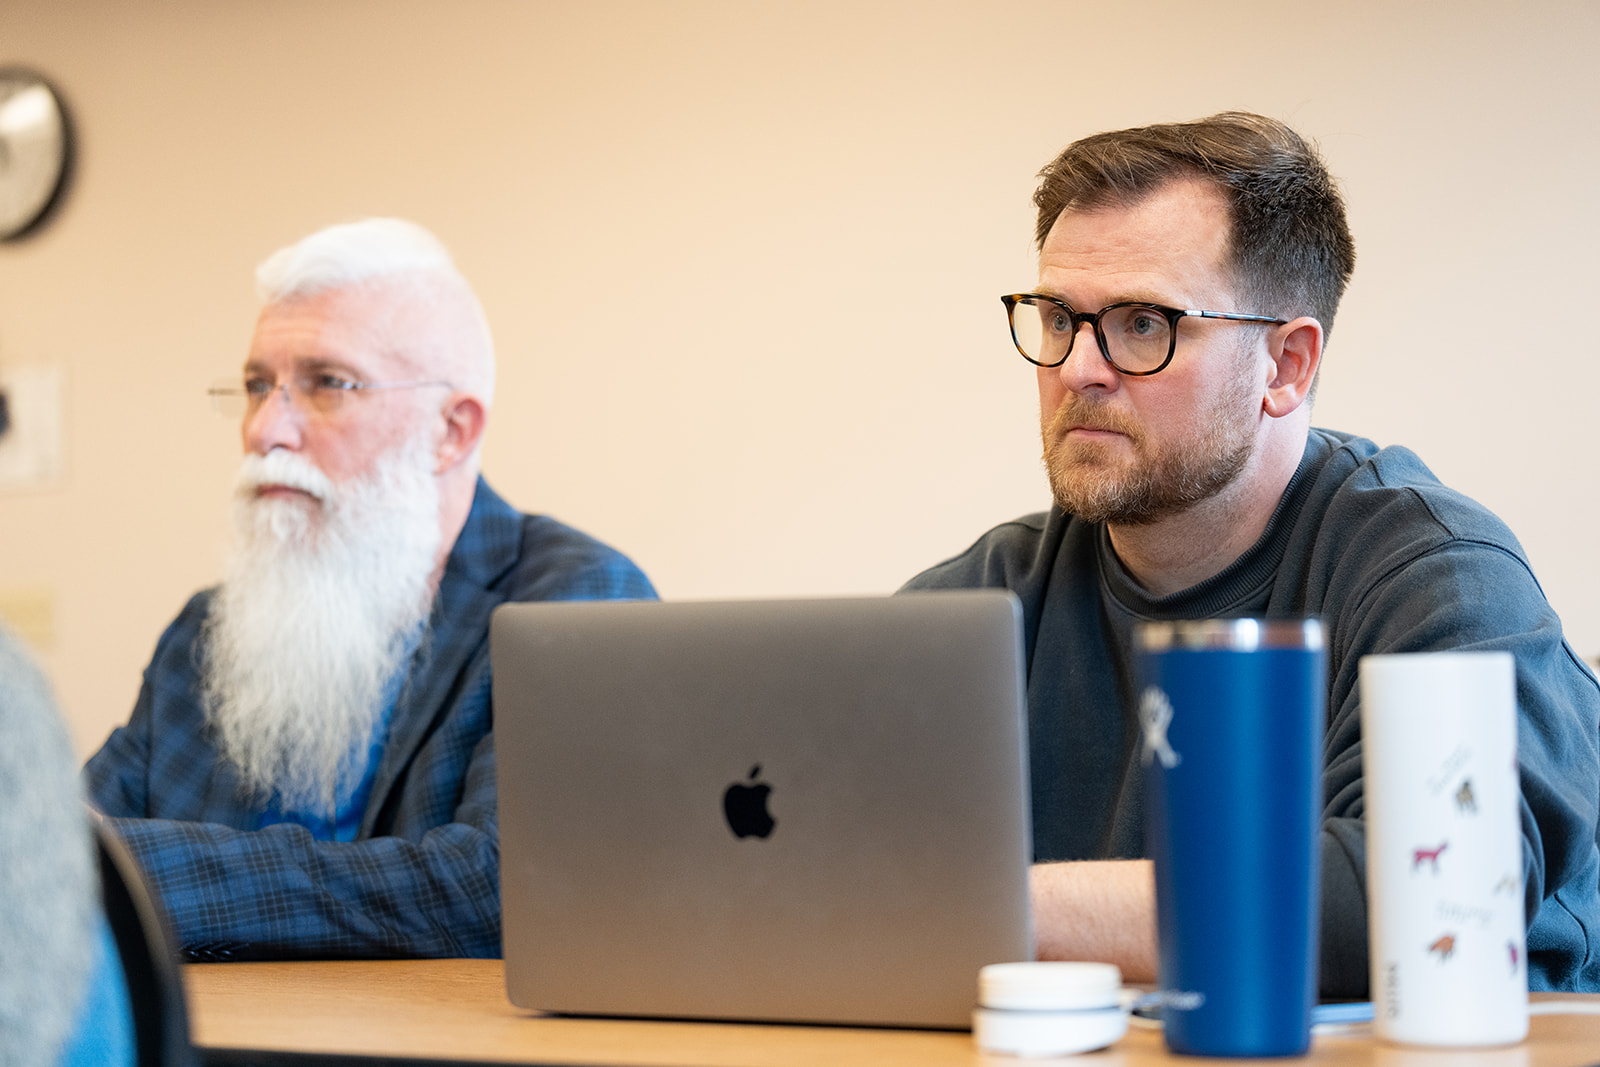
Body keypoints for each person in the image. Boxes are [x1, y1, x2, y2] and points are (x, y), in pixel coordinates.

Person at [904, 113, 1600, 997]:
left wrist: (977, 906)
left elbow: (1408, 899)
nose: (1079, 367)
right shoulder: (989, 596)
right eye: (1057, 318)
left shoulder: (1441, 579)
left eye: (1142, 323)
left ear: (1286, 366)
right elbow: (807, 836)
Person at [86, 218, 657, 960]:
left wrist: (135, 869)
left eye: (326, 383)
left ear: (451, 431)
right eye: (258, 385)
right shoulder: (206, 632)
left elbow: (505, 888)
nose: (266, 429)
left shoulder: (579, 600)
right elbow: (63, 848)